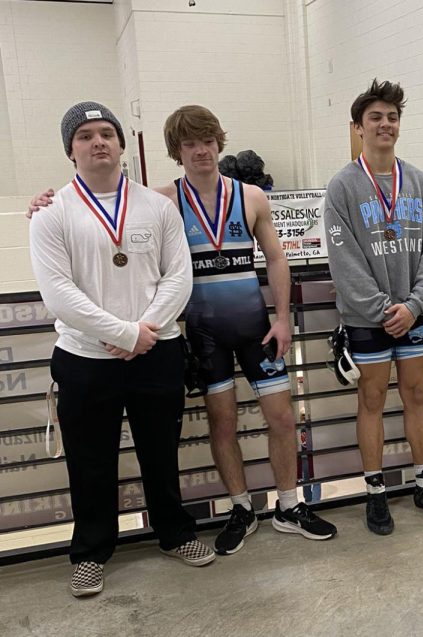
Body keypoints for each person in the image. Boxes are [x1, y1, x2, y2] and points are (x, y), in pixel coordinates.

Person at [31, 105, 337, 555]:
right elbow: (99, 235)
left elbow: (274, 258)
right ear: (177, 151)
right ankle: (239, 509)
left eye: (208, 141)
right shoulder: (162, 199)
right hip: (200, 334)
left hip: (252, 328)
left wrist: (282, 316)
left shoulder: (249, 196)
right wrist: (39, 204)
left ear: (219, 143)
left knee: (282, 417)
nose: (201, 151)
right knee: (221, 423)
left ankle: (289, 506)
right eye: (190, 143)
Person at [30, 102, 214, 598]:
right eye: (86, 135)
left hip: (157, 351)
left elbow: (179, 275)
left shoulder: (157, 206)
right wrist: (125, 333)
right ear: (70, 149)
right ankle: (90, 552)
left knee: (161, 453)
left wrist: (145, 331)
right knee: (89, 461)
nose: (98, 142)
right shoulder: (51, 213)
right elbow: (57, 293)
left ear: (120, 143)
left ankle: (175, 533)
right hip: (86, 358)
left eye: (106, 132)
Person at [323, 79, 423, 535]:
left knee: (417, 395)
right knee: (372, 398)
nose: (385, 124)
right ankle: (375, 492)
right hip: (368, 318)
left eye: (392, 117)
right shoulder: (342, 186)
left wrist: (416, 305)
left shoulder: (419, 182)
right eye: (375, 117)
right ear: (358, 127)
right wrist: (384, 308)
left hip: (415, 314)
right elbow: (344, 262)